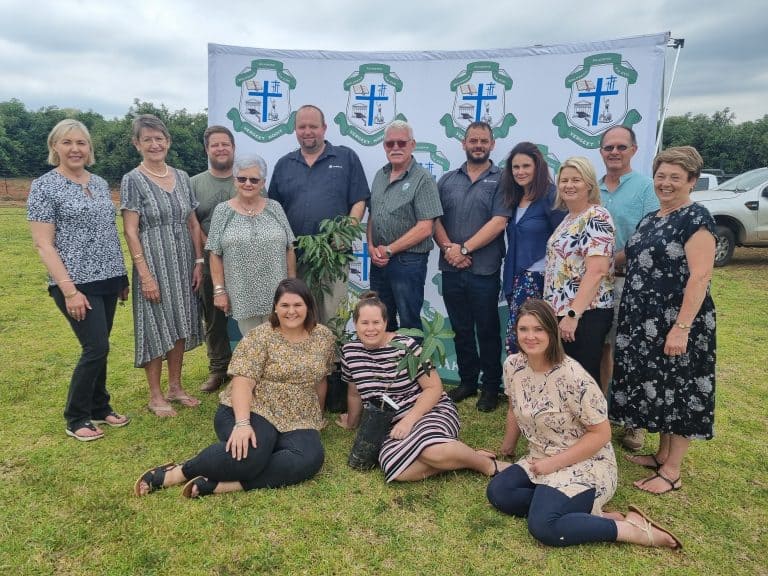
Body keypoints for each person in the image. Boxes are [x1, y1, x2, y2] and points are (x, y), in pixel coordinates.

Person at [487, 299, 681, 550]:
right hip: (540, 456)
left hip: (587, 463)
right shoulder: (513, 365)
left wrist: (552, 464)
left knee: (544, 526)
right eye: (524, 329)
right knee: (499, 493)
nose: (530, 336)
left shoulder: (572, 376)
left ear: (552, 332)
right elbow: (515, 407)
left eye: (539, 329)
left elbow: (601, 434)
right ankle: (578, 511)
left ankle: (631, 529)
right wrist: (507, 448)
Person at [134, 278, 335, 498]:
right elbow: (242, 382)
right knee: (252, 455)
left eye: (298, 305)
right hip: (255, 407)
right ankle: (180, 471)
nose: (291, 311)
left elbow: (320, 379)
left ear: (308, 307)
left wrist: (317, 418)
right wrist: (242, 424)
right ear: (275, 307)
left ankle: (224, 485)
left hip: (299, 414)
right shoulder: (260, 336)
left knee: (308, 459)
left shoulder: (323, 337)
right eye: (285, 305)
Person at [610, 146, 716, 496]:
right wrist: (594, 261)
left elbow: (700, 277)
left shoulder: (696, 219)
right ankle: (661, 455)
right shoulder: (653, 218)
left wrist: (682, 328)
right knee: (663, 388)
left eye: (675, 177)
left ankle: (672, 472)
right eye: (661, 176)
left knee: (681, 389)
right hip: (644, 321)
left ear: (692, 181)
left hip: (677, 322)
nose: (665, 183)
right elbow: (630, 255)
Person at [28, 119, 130, 441]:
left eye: (81, 143)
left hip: (108, 277)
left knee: (102, 346)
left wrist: (121, 277)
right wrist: (69, 291)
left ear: (90, 149)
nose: (75, 149)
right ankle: (76, 417)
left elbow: (108, 233)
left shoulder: (99, 183)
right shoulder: (44, 186)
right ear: (54, 147)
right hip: (74, 282)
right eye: (67, 142)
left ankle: (100, 406)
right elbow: (43, 244)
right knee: (95, 346)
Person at [337, 292, 510, 481]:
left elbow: (434, 388)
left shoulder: (406, 345)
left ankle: (487, 465)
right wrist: (352, 423)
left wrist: (409, 420)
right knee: (396, 471)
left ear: (386, 322)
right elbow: (354, 392)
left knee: (430, 452)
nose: (371, 329)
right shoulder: (350, 352)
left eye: (376, 322)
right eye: (364, 323)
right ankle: (463, 456)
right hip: (387, 421)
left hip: (426, 410)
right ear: (355, 324)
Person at [120, 114, 204, 417]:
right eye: (147, 139)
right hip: (153, 262)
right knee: (156, 326)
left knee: (180, 322)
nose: (154, 144)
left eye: (159, 139)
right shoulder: (133, 179)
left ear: (167, 142)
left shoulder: (182, 177)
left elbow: (193, 223)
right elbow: (130, 229)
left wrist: (198, 261)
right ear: (137, 144)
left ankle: (176, 387)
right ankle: (155, 395)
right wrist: (144, 274)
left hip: (183, 261)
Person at [434, 121, 511, 412]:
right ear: (463, 144)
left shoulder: (503, 180)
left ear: (492, 145)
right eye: (472, 141)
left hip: (484, 270)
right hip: (452, 268)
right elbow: (434, 219)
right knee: (461, 328)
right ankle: (467, 381)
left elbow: (498, 222)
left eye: (483, 141)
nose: (478, 145)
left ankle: (491, 386)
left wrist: (464, 249)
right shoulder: (447, 180)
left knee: (487, 330)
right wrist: (450, 250)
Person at [268, 105, 370, 323]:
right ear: (295, 130)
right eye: (302, 127)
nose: (307, 131)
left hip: (332, 256)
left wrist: (345, 234)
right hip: (294, 258)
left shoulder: (346, 158)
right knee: (297, 317)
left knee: (332, 318)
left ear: (324, 128)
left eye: (313, 126)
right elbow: (273, 211)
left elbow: (359, 200)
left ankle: (332, 358)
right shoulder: (284, 165)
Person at [598, 125, 659, 451]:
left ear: (634, 150)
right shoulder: (591, 186)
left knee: (630, 352)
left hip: (628, 281)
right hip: (595, 285)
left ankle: (634, 423)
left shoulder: (646, 188)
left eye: (621, 147)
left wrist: (610, 261)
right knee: (602, 350)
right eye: (609, 147)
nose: (615, 152)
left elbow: (648, 236)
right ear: (601, 151)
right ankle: (603, 414)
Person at [206, 155, 296, 336]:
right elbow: (215, 253)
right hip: (242, 294)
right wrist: (219, 290)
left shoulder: (275, 207)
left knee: (281, 346)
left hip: (278, 294)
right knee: (253, 348)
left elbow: (289, 248)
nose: (248, 183)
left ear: (262, 183)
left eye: (254, 179)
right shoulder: (222, 211)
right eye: (242, 178)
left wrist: (292, 286)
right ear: (235, 181)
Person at [544, 157, 615, 385]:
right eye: (564, 180)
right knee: (565, 376)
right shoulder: (568, 218)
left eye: (576, 179)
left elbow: (597, 271)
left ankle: (590, 421)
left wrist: (573, 315)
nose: (569, 185)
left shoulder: (597, 216)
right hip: (562, 312)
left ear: (589, 185)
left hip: (585, 314)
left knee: (582, 379)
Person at [367, 120, 443, 332]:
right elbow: (374, 214)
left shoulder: (423, 179)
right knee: (380, 320)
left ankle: (412, 365)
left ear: (412, 145)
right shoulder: (379, 176)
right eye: (390, 144)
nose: (396, 148)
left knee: (409, 323)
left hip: (407, 262)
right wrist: (371, 246)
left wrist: (389, 250)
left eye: (401, 142)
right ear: (384, 147)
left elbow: (426, 227)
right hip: (379, 262)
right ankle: (385, 365)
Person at [501, 141, 565, 356]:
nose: (520, 172)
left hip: (539, 281)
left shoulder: (551, 195)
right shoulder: (514, 197)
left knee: (535, 341)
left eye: (526, 166)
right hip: (516, 278)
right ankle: (518, 388)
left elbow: (562, 239)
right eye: (515, 167)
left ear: (538, 167)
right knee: (516, 340)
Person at [192, 125, 236, 393]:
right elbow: (192, 224)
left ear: (233, 148)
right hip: (209, 261)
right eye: (215, 145)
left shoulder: (245, 178)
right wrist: (207, 251)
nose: (220, 149)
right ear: (207, 150)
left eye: (225, 144)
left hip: (244, 261)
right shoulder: (194, 183)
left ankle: (252, 367)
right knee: (214, 317)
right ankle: (218, 369)